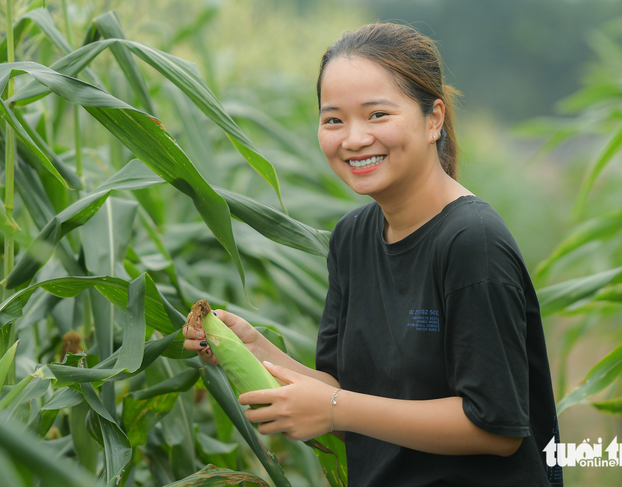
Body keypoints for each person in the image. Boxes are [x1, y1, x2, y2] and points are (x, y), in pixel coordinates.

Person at [184, 22, 563, 487]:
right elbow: (347, 403)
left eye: (377, 114)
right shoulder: (352, 238)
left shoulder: (471, 242)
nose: (354, 138)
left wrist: (336, 407)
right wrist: (253, 351)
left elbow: (496, 427)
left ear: (434, 119)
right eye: (333, 120)